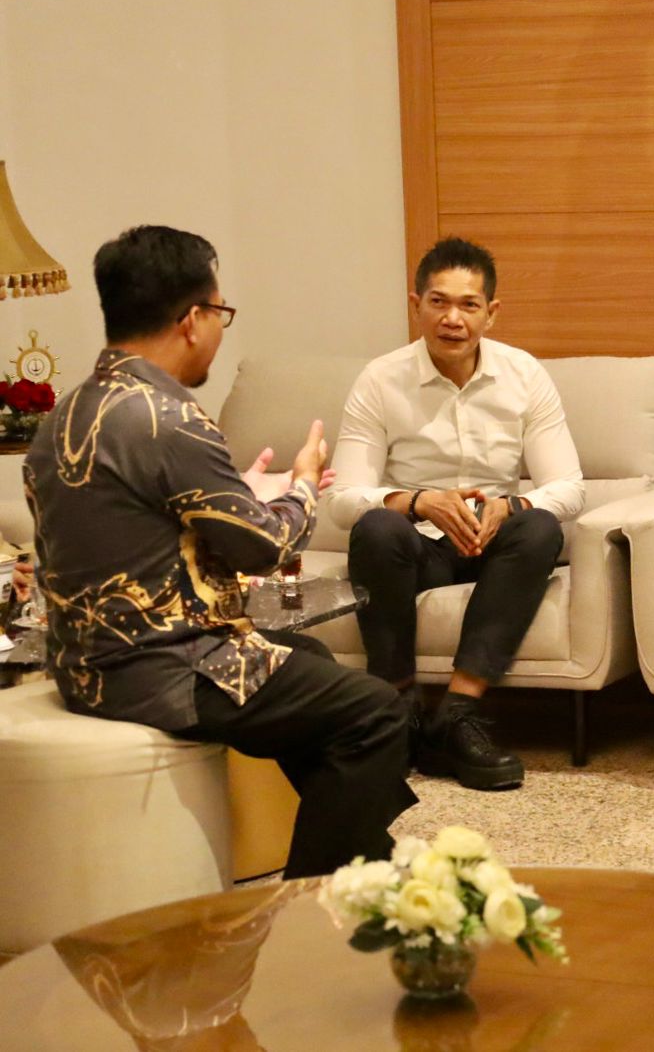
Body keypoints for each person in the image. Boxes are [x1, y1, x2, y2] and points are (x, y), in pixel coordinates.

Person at [23, 224, 415, 878]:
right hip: (164, 670)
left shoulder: (65, 415)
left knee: (310, 657)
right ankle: (307, 910)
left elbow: (140, 532)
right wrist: (301, 486)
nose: (220, 330)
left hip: (85, 663)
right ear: (192, 319)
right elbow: (264, 548)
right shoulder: (167, 418)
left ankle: (364, 852)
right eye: (220, 313)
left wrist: (245, 497)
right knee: (377, 713)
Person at [326, 237, 582, 792]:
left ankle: (457, 715)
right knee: (376, 526)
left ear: (492, 313)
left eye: (469, 305)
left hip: (492, 546)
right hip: (418, 549)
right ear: (415, 304)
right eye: (438, 302)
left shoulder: (524, 374)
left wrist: (510, 505)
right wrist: (417, 500)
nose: (452, 319)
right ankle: (397, 713)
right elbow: (342, 497)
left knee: (540, 525)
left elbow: (568, 487)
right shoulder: (380, 379)